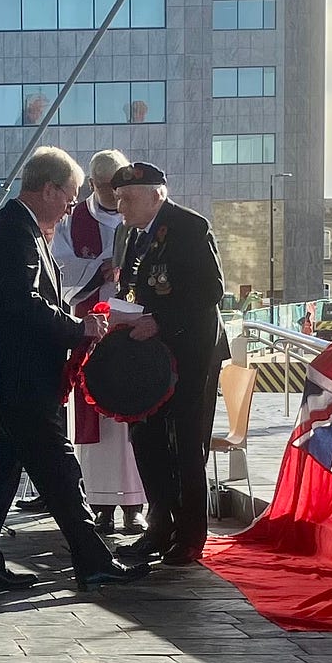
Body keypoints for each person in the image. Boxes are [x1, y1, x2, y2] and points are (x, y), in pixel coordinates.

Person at [0, 147, 149, 592]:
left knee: (2, 472)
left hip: (16, 375)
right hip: (22, 376)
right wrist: (79, 327)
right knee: (59, 468)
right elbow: (23, 304)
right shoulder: (13, 232)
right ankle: (92, 560)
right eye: (69, 194)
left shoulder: (21, 228)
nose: (70, 205)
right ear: (48, 189)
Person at [111, 162, 230, 566]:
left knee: (185, 443)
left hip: (190, 353)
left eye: (127, 198)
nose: (120, 205)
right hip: (150, 356)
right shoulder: (131, 235)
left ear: (155, 194)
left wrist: (160, 321)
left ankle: (191, 535)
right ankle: (160, 525)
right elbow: (132, 287)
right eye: (118, 197)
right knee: (146, 439)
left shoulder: (189, 228)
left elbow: (211, 290)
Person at [51, 148, 148, 537]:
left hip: (131, 334)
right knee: (98, 425)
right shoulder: (73, 221)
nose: (114, 195)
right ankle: (102, 505)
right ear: (93, 184)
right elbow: (60, 272)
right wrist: (100, 267)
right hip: (92, 333)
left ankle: (135, 505)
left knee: (132, 422)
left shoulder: (140, 217)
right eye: (106, 187)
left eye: (119, 186)